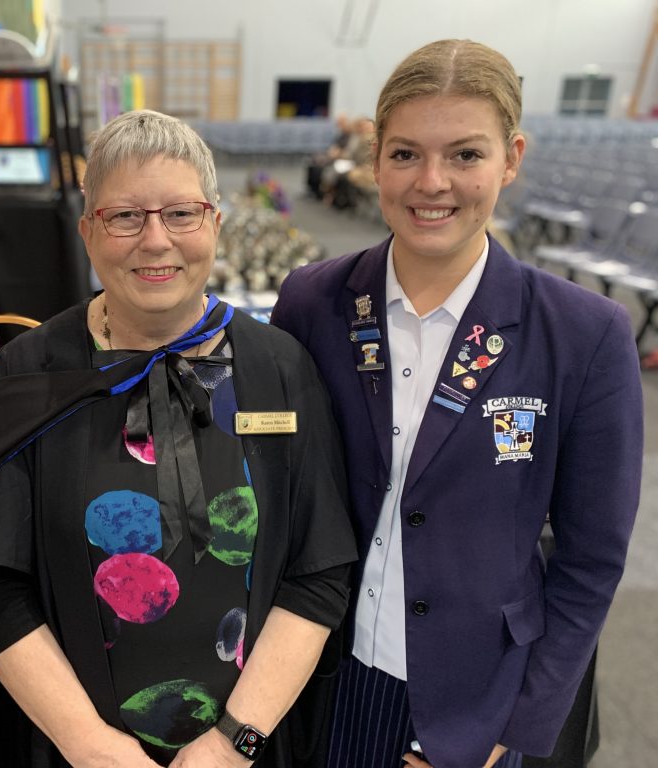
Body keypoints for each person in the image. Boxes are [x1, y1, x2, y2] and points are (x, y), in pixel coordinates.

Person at [0, 109, 357, 767]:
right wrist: (88, 744)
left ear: (215, 223)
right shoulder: (29, 375)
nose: (156, 240)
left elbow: (318, 572)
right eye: (125, 216)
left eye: (181, 214)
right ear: (87, 231)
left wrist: (236, 742)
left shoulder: (278, 369)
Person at [271, 39, 644, 768]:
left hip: (475, 703)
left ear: (511, 158)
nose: (432, 182)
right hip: (316, 675)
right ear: (375, 159)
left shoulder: (584, 334)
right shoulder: (312, 302)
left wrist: (512, 727)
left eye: (466, 154)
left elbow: (592, 560)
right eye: (406, 154)